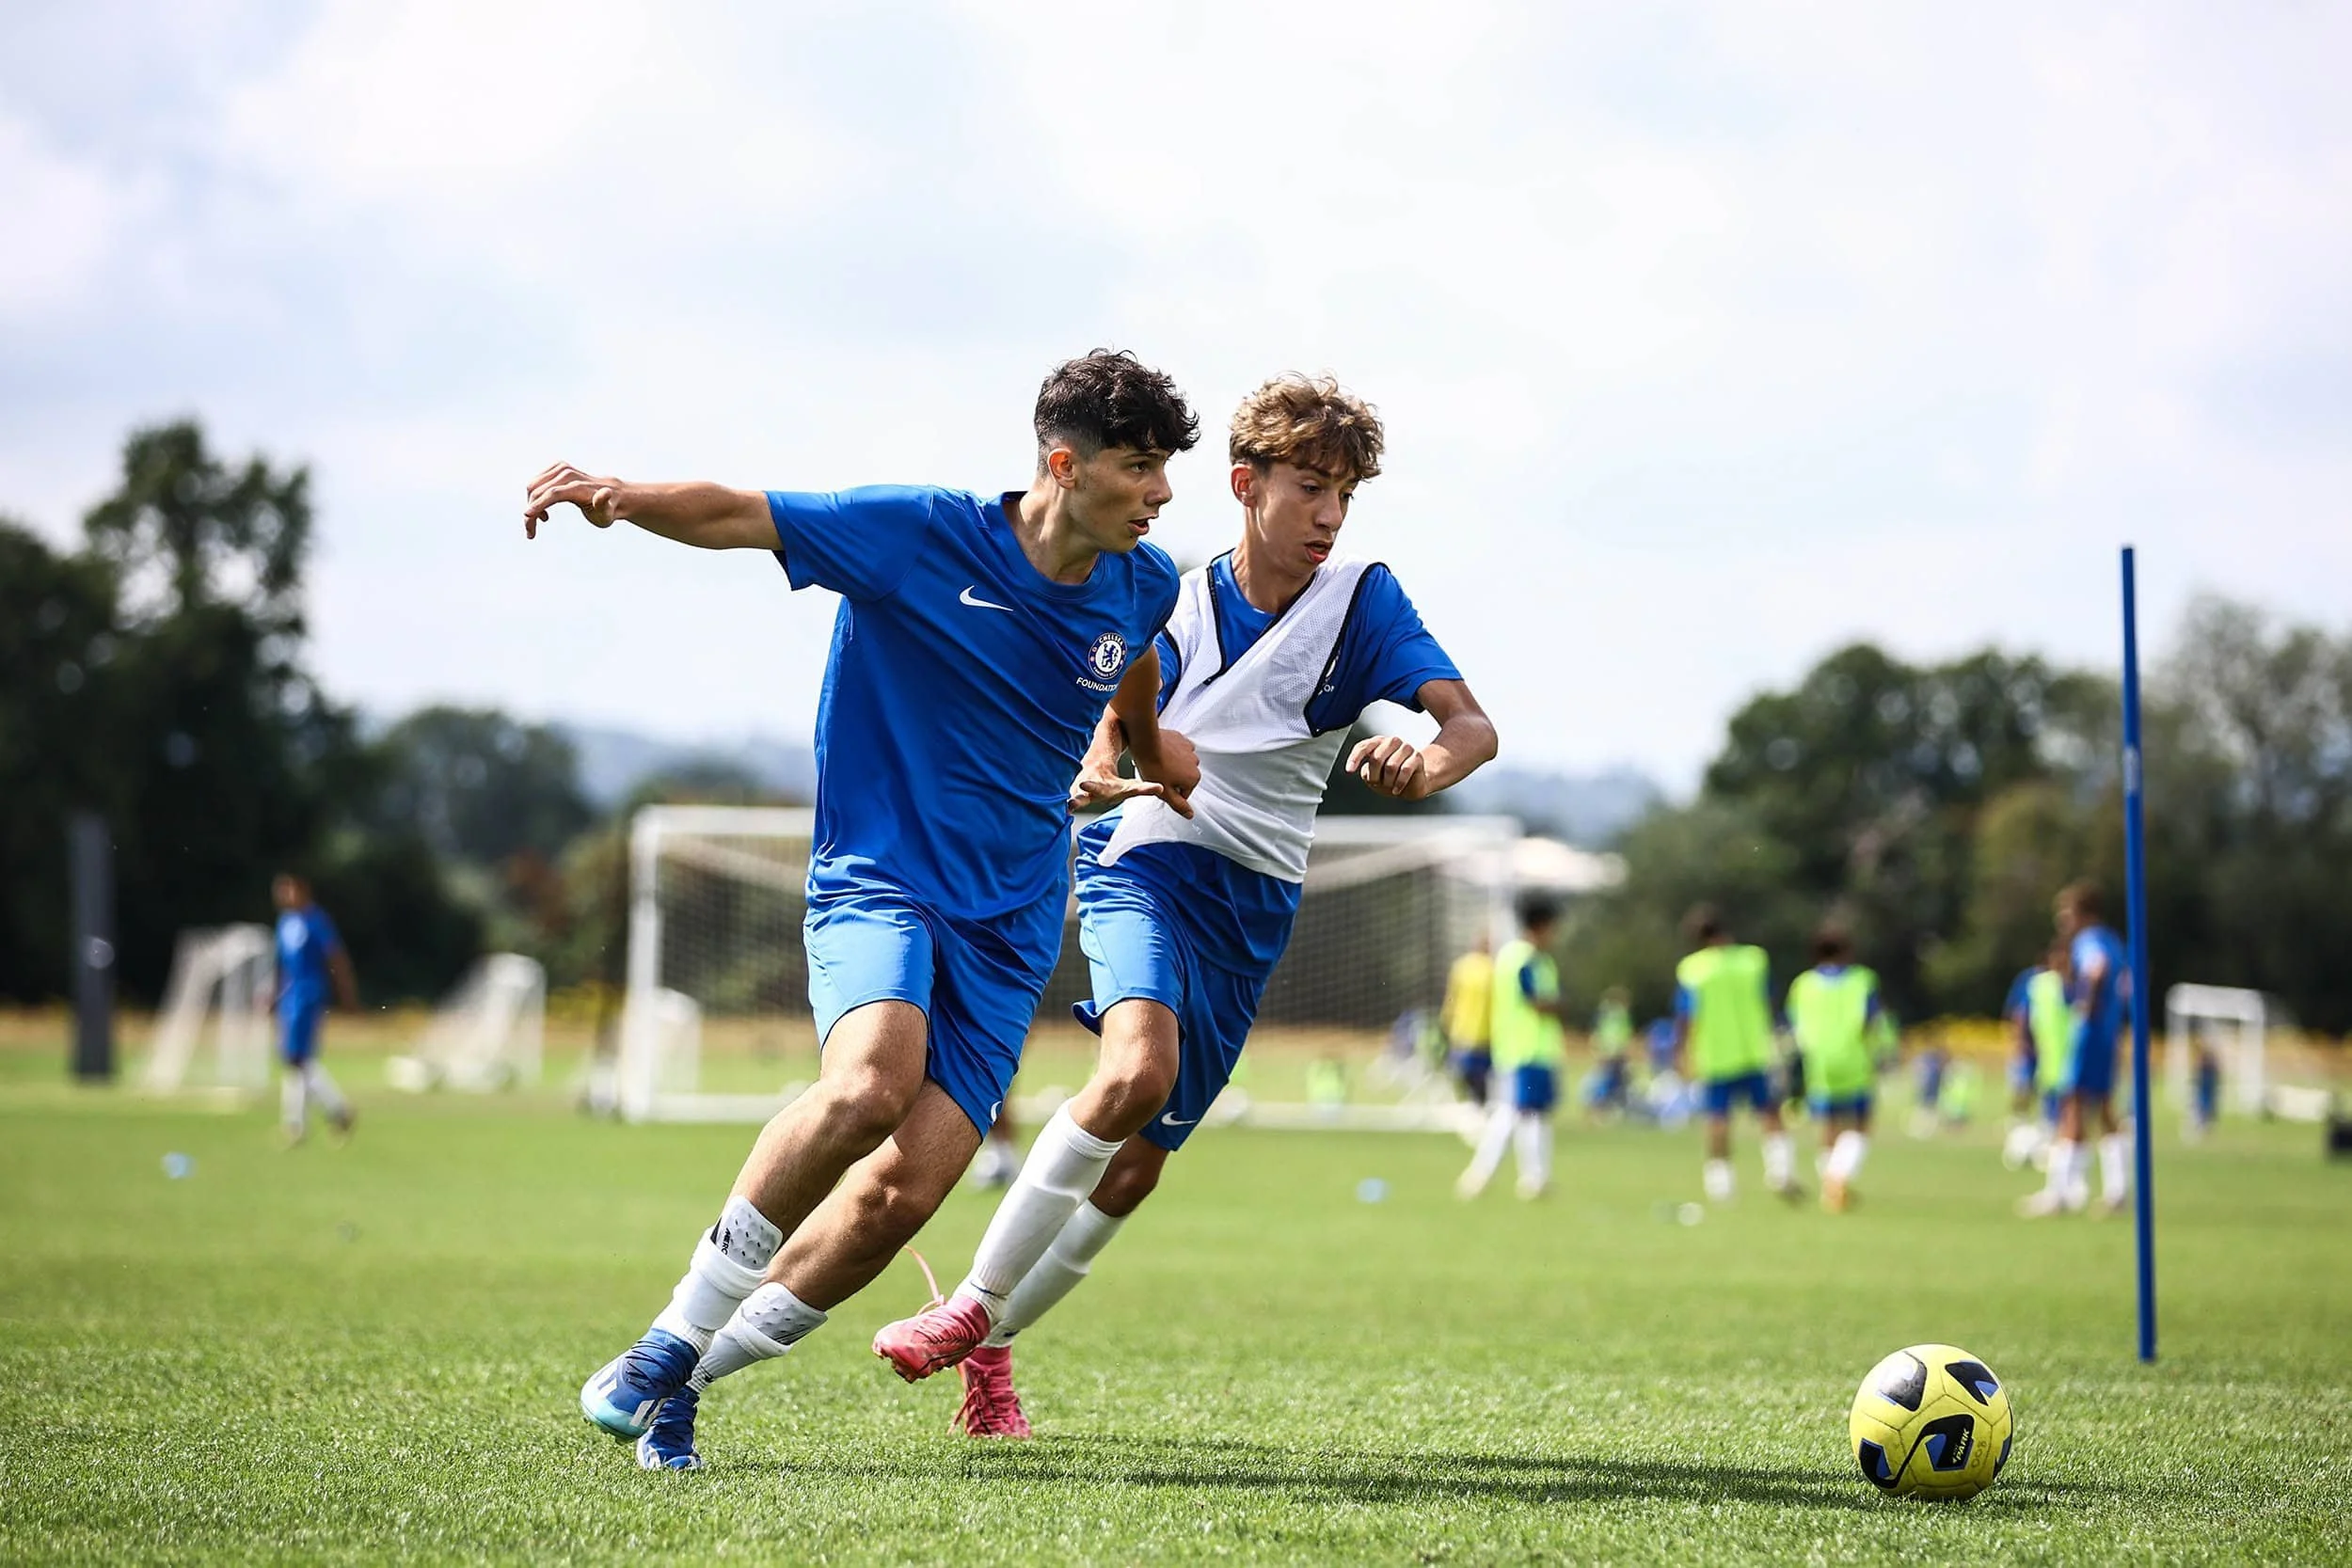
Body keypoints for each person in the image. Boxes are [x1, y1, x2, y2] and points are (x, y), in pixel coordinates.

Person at [541, 350, 1203, 1470]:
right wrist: (617, 494)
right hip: (881, 878)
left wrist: (1132, 749)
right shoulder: (918, 533)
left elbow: (1125, 662)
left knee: (901, 1194)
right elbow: (741, 511)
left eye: (1164, 468)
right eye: (1139, 466)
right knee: (867, 1085)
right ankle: (667, 1335)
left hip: (1011, 924)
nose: (1161, 491)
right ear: (1063, 464)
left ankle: (682, 1376)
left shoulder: (1144, 583)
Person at [867, 373, 1497, 1436]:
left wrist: (1424, 763)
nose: (1330, 515)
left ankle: (994, 1343)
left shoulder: (1363, 601)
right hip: (1141, 862)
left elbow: (1471, 726)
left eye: (1345, 494)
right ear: (1246, 485)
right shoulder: (1166, 593)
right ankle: (969, 1306)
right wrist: (1097, 768)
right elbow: (1110, 722)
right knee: (1133, 1071)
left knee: (1134, 1175)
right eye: (1309, 488)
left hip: (1252, 905)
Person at [2020, 880, 2132, 1217]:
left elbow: (2098, 969)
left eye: (2066, 913)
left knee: (2072, 1107)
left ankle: (2060, 1192)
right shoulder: (2113, 940)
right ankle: (2117, 1190)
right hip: (2107, 1034)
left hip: (2090, 1035)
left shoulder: (2090, 940)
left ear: (2084, 913)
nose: (2062, 921)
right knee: (2105, 1110)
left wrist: (2087, 1006)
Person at [1674, 906, 1797, 1202]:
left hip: (1715, 1054)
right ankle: (1780, 1172)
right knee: (1770, 1113)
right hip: (1754, 1050)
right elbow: (1769, 1000)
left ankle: (1721, 1184)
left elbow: (1686, 1017)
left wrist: (1682, 1052)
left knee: (1718, 1119)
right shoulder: (1754, 959)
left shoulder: (1693, 969)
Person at [1457, 895, 1566, 1198]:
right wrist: (1559, 1005)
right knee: (1523, 1112)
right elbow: (1535, 1000)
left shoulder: (1537, 959)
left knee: (1521, 1112)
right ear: (1541, 925)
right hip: (1523, 1051)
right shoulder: (1522, 958)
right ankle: (1524, 1177)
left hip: (1534, 1051)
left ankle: (1499, 1175)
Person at [1784, 925, 1881, 1212]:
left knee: (1828, 1125)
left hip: (1818, 1061)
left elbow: (1794, 1021)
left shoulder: (1803, 984)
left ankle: (1829, 1183)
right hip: (1853, 1057)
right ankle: (1838, 1177)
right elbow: (1871, 1019)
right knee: (1860, 1124)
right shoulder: (1862, 979)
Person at [270, 873, 358, 1145]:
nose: (284, 895)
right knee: (294, 1059)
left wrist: (346, 993)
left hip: (308, 994)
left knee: (298, 1058)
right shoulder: (285, 923)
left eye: (289, 889)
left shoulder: (315, 920)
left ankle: (306, 1121)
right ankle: (321, 1116)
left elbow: (336, 957)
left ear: (302, 890)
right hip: (289, 996)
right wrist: (272, 994)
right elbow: (281, 964)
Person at [2001, 942, 2074, 1171]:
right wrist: (2021, 1041)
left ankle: (2051, 1143)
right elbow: (2020, 1013)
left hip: (2059, 1054)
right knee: (2026, 1089)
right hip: (2038, 1050)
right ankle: (2021, 1128)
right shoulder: (2034, 982)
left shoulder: (2069, 983)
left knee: (2060, 1102)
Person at [1441, 934, 1498, 1108]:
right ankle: (1479, 1106)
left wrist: (1446, 1021)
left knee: (1463, 1075)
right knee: (1481, 1079)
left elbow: (1451, 998)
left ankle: (1470, 1106)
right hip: (1484, 1034)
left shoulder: (1460, 967)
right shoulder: (1492, 968)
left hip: (1461, 1032)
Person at [1584, 986, 1634, 1120]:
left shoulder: (1619, 1015)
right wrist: (1599, 1051)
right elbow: (1598, 1034)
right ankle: (1598, 1109)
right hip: (1608, 1054)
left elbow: (1624, 1034)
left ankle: (1613, 1108)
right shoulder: (1607, 1015)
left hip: (1616, 1054)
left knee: (1617, 1082)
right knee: (1604, 1082)